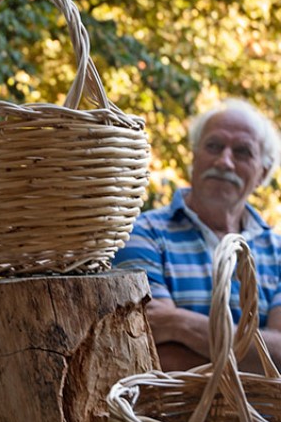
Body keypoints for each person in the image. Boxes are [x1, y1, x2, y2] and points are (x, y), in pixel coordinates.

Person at [113, 98, 281, 372]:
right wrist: (257, 362)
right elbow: (153, 354)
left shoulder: (278, 252)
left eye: (242, 152)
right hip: (162, 416)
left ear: (262, 173)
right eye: (213, 146)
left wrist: (175, 322)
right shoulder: (140, 233)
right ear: (194, 155)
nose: (224, 161)